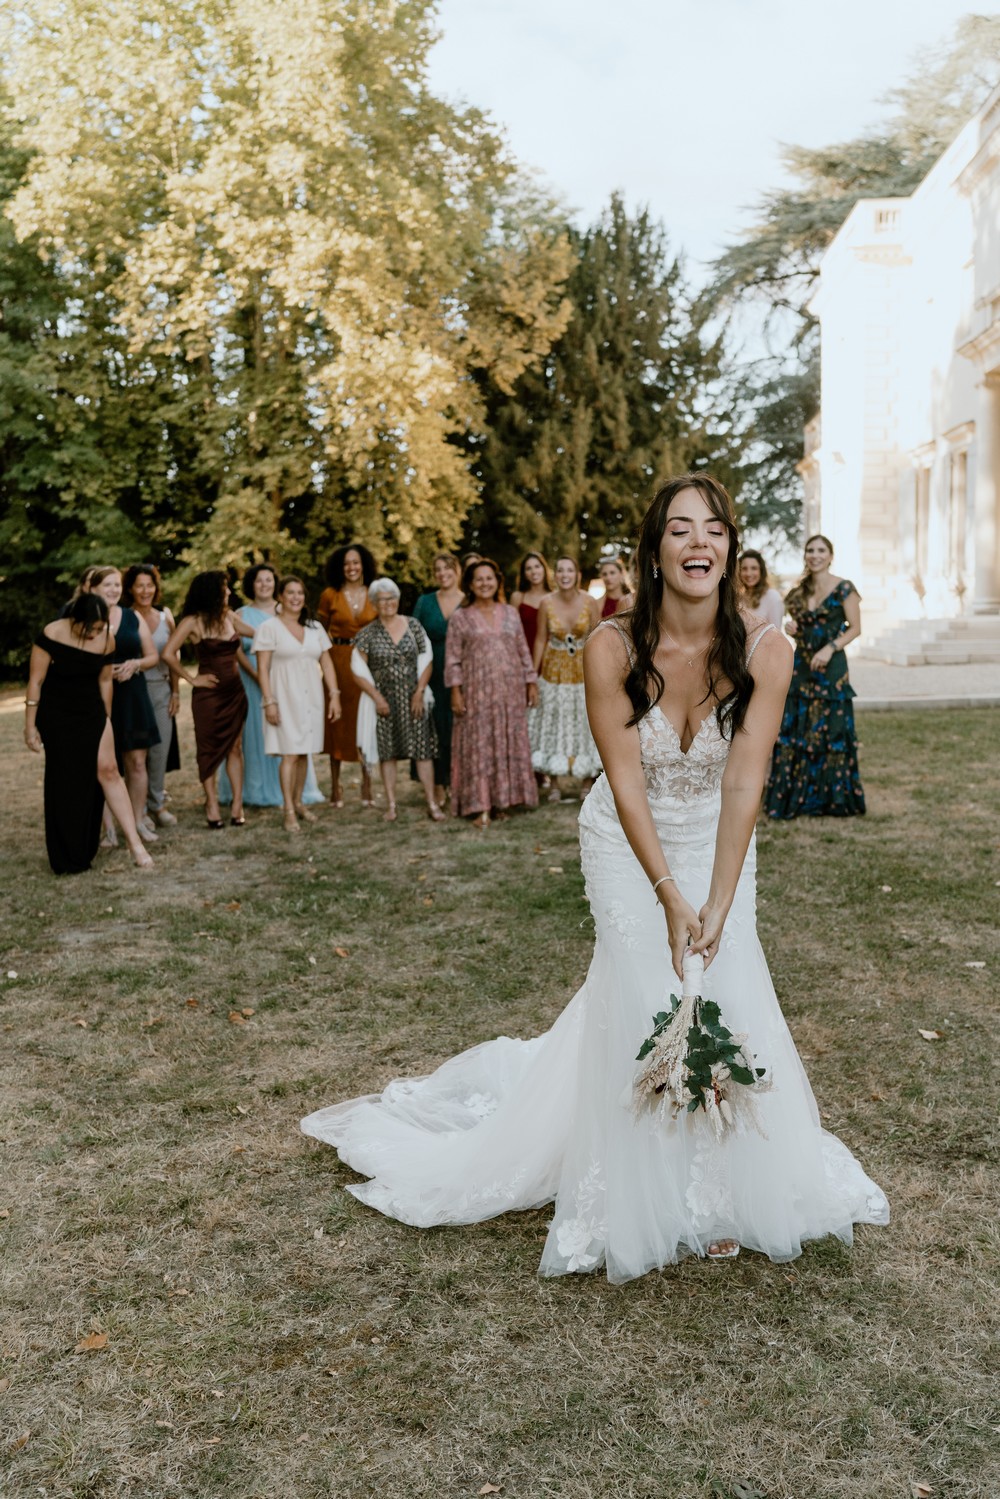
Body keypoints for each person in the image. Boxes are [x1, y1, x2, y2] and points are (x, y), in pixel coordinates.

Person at [301, 473, 889, 1282]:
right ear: (653, 552)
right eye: (679, 529)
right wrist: (669, 893)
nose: (699, 544)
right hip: (627, 842)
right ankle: (648, 1187)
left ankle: (719, 1191)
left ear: (732, 546)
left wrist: (716, 898)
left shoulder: (768, 649)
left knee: (725, 985)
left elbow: (745, 780)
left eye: (714, 529)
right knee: (647, 984)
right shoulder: (614, 645)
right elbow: (625, 781)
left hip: (721, 840)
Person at [24, 593, 153, 872]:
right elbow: (36, 680)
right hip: (57, 713)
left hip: (91, 710)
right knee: (66, 778)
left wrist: (105, 718)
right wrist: (29, 724)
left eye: (99, 628)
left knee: (109, 771)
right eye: (89, 629)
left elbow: (105, 680)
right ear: (74, 620)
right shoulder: (51, 633)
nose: (95, 633)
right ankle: (68, 852)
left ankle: (135, 845)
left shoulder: (107, 638)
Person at [765, 535, 865, 820]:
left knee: (832, 730)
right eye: (810, 550)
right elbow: (792, 624)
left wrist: (830, 648)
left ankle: (831, 800)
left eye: (821, 550)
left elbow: (855, 628)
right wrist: (792, 627)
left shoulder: (845, 588)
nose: (815, 555)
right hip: (802, 664)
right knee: (798, 727)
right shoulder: (798, 592)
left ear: (831, 556)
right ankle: (798, 796)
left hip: (831, 666)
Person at [218, 564, 325, 810]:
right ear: (251, 585)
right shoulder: (242, 614)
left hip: (288, 684)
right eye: (259, 581)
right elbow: (236, 650)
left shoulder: (288, 610)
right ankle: (255, 789)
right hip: (252, 680)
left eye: (269, 580)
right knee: (255, 735)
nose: (264, 584)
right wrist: (255, 674)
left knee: (291, 736)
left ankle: (292, 794)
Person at [445, 559, 539, 827]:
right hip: (476, 692)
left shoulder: (510, 613)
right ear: (471, 585)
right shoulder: (461, 617)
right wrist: (456, 691)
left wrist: (530, 681)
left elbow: (522, 649)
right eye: (479, 579)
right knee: (479, 744)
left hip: (509, 691)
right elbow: (452, 658)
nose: (485, 583)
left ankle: (502, 801)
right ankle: (480, 805)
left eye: (489, 578)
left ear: (497, 581)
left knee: (506, 741)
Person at [160, 571, 254, 828]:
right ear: (212, 591)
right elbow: (168, 653)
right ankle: (211, 803)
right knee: (209, 748)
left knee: (235, 748)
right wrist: (192, 680)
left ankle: (237, 804)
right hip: (208, 696)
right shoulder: (193, 621)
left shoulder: (230, 616)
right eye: (224, 588)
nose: (228, 592)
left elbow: (256, 633)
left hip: (235, 692)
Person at [351, 578, 441, 824]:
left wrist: (420, 691)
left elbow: (427, 658)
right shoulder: (367, 634)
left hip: (414, 698)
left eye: (392, 598)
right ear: (374, 603)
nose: (388, 603)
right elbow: (357, 670)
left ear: (398, 600)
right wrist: (377, 698)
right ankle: (391, 804)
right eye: (382, 599)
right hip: (385, 701)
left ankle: (432, 802)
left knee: (423, 750)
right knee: (387, 753)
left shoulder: (414, 626)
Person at [256, 576, 341, 834]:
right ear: (281, 596)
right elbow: (262, 667)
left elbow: (326, 662)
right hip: (283, 697)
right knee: (290, 754)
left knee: (305, 752)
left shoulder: (315, 627)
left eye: (300, 593)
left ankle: (299, 802)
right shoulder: (269, 627)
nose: (295, 598)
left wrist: (334, 694)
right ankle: (288, 810)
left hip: (311, 697)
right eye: (290, 593)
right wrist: (269, 701)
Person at [90, 566, 161, 846]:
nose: (113, 590)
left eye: (117, 585)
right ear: (93, 588)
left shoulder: (132, 617)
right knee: (106, 764)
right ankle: (109, 828)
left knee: (138, 762)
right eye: (107, 585)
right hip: (98, 696)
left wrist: (136, 664)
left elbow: (153, 655)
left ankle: (138, 819)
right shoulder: (86, 618)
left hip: (133, 695)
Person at [531, 556, 602, 800]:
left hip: (584, 670)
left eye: (569, 570)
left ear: (577, 574)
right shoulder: (545, 602)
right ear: (555, 575)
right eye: (560, 570)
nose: (564, 575)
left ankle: (587, 781)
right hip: (553, 671)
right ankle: (554, 784)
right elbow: (541, 638)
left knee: (585, 721)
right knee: (554, 721)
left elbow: (598, 637)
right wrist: (533, 675)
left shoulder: (590, 602)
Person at [317, 545, 378, 808]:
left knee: (366, 718)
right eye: (346, 564)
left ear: (364, 564)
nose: (351, 568)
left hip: (368, 661)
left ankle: (367, 783)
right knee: (337, 721)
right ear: (339, 568)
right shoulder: (330, 595)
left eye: (356, 562)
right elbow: (319, 629)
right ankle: (336, 784)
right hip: (338, 659)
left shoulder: (375, 593)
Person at [124, 564, 180, 830]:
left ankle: (158, 803)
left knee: (160, 751)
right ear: (130, 589)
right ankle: (139, 809)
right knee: (136, 754)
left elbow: (174, 657)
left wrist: (176, 692)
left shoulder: (166, 616)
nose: (145, 590)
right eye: (140, 585)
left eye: (150, 585)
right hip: (133, 691)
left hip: (161, 688)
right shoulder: (124, 618)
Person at [413, 553, 464, 808]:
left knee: (458, 729)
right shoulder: (424, 602)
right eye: (438, 569)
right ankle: (436, 784)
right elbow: (414, 639)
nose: (443, 573)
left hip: (461, 674)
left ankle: (457, 782)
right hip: (431, 673)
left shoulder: (468, 601)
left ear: (457, 570)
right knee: (433, 729)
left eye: (448, 568)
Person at [509, 552, 554, 658]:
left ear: (544, 569)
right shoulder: (517, 597)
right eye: (529, 568)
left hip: (550, 657)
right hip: (523, 655)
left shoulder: (554, 597)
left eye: (537, 566)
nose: (534, 571)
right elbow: (511, 632)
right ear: (524, 573)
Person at [737, 550, 784, 630]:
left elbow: (776, 633)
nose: (748, 573)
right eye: (744, 568)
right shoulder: (737, 597)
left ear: (761, 571)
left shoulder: (772, 597)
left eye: (754, 568)